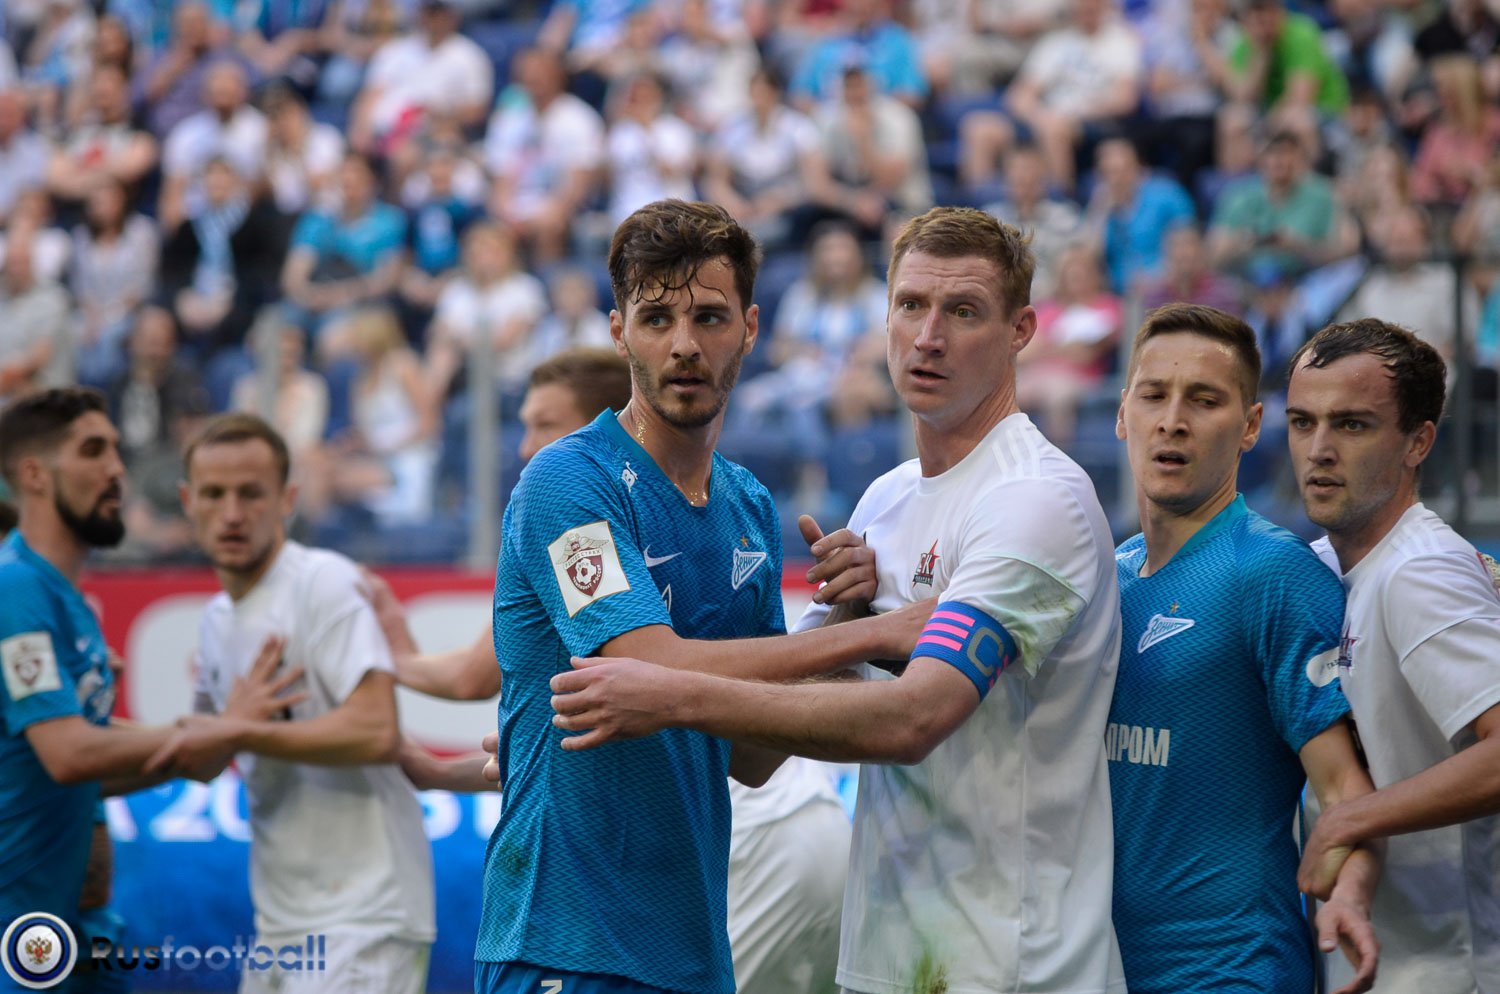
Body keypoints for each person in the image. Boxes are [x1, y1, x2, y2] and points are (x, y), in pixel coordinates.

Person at [547, 206, 1127, 994]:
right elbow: (760, 749)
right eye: (911, 306)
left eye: (962, 312)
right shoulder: (885, 500)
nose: (929, 337)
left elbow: (913, 718)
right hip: (888, 956)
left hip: (1010, 967)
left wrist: (667, 693)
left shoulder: (1034, 498)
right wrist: (854, 622)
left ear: (1021, 329)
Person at [473, 199, 926, 994]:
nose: (684, 343)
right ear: (619, 332)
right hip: (561, 945)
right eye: (656, 318)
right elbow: (649, 667)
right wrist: (872, 637)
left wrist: (845, 609)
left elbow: (755, 755)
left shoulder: (748, 504)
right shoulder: (565, 481)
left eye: (709, 317)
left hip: (693, 953)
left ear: (750, 328)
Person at [373, 345, 850, 994]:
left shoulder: (587, 486)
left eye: (545, 425)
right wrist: (851, 628)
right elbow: (568, 736)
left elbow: (484, 678)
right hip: (766, 855)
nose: (527, 448)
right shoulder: (628, 506)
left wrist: (386, 663)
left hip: (737, 860)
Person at [1108, 303, 1379, 993]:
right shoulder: (1106, 575)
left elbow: (1345, 787)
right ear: (1122, 413)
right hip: (1104, 968)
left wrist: (1349, 894)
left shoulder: (1272, 573)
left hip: (1233, 969)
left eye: (1204, 401)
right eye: (1154, 395)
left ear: (1251, 426)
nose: (1173, 421)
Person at [151, 412, 436, 994]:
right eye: (214, 494)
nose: (232, 513)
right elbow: (204, 756)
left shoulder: (322, 582)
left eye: (251, 493)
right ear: (187, 501)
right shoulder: (216, 619)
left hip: (366, 915)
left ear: (287, 499)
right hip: (280, 922)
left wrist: (240, 731)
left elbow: (376, 731)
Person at [0, 389, 273, 991]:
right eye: (93, 451)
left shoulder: (63, 597)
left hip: (73, 938)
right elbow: (68, 753)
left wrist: (195, 749)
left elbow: (72, 764)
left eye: (116, 450)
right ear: (35, 475)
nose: (116, 469)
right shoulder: (16, 588)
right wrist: (213, 731)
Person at [1288, 318, 1500, 993]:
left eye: (1352, 425)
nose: (1319, 450)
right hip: (1376, 952)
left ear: (1419, 442)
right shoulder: (1321, 566)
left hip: (1450, 966)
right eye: (1302, 422)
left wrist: (1348, 818)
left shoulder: (1420, 572)